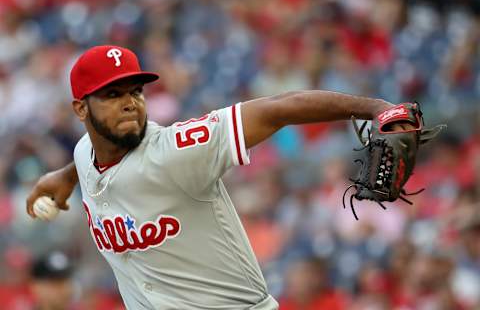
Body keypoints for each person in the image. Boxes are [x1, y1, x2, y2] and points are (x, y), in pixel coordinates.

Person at [26, 45, 397, 309]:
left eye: (135, 91)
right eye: (112, 94)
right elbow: (90, 158)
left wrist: (377, 109)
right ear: (81, 109)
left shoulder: (174, 152)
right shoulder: (83, 153)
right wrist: (64, 177)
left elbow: (278, 109)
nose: (129, 102)